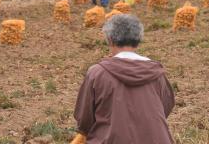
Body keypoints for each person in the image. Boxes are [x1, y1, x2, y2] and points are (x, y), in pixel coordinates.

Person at [74, 14, 175, 143]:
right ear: (138, 39)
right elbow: (166, 107)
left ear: (110, 40)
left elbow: (84, 120)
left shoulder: (97, 73)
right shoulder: (157, 73)